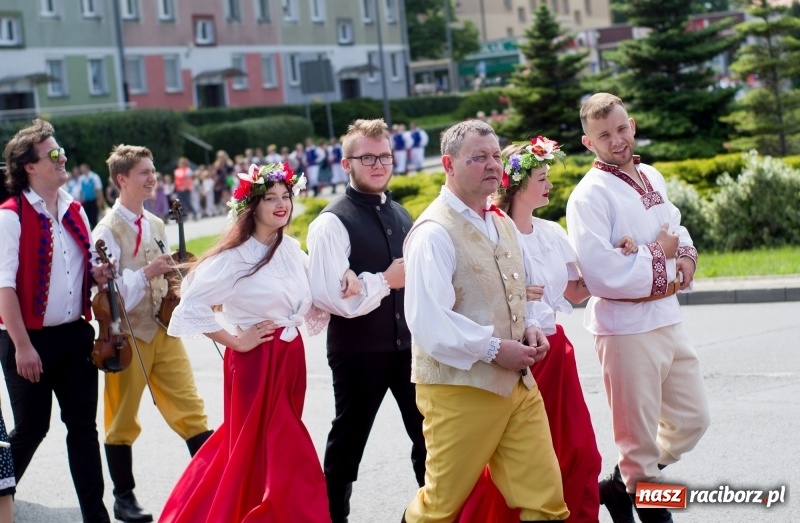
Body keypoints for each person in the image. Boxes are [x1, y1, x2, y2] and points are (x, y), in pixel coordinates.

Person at [160, 162, 353, 523]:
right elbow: (189, 305)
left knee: (254, 447)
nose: (282, 204)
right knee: (283, 445)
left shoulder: (291, 250)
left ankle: (228, 508)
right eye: (270, 198)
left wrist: (347, 273)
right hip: (256, 361)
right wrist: (235, 341)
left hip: (289, 360)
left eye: (286, 196)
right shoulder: (235, 257)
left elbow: (320, 288)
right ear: (252, 206)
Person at [458, 137, 637, 523]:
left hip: (557, 353)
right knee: (517, 461)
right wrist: (513, 292)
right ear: (518, 184)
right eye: (542, 178)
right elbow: (472, 290)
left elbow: (575, 291)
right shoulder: (492, 231)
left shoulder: (551, 233)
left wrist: (618, 253)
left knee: (579, 451)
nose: (550, 184)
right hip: (516, 356)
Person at [402, 119, 569, 523]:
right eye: (479, 157)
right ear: (448, 164)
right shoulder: (433, 232)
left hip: (518, 386)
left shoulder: (501, 222)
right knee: (440, 507)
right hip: (459, 390)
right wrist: (495, 348)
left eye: (496, 155)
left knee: (546, 501)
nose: (493, 164)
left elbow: (519, 291)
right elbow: (428, 321)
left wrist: (530, 327)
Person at [566, 93, 710, 523]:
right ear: (588, 143)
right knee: (639, 446)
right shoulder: (588, 196)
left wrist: (683, 256)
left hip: (667, 318)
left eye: (621, 128)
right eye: (604, 135)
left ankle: (618, 485)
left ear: (632, 125)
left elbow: (675, 227)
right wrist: (659, 253)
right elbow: (600, 272)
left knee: (692, 420)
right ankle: (643, 492)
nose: (617, 140)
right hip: (624, 330)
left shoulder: (652, 175)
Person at [307, 119, 426, 523]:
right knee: (349, 439)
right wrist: (385, 280)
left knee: (428, 436)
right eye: (368, 158)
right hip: (358, 350)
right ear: (347, 164)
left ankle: (431, 515)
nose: (378, 165)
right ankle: (332, 517)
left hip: (409, 349)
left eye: (384, 157)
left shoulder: (403, 214)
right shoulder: (331, 222)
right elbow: (332, 298)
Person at [92, 144, 213, 523]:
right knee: (121, 418)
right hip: (127, 337)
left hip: (164, 329)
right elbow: (109, 296)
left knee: (192, 410)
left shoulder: (158, 224)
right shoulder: (106, 231)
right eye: (144, 172)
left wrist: (184, 282)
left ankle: (213, 486)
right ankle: (124, 498)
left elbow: (168, 278)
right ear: (122, 179)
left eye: (153, 171)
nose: (152, 177)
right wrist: (148, 273)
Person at [0, 119, 112, 522]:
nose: (62, 157)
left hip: (75, 336)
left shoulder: (74, 209)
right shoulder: (10, 215)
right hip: (27, 339)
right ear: (29, 166)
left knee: (83, 429)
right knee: (32, 428)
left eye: (60, 150)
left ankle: (96, 517)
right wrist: (22, 347)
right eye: (53, 153)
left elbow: (81, 268)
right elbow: (4, 287)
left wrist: (98, 274)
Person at [78, 162, 108, 228]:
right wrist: (80, 202)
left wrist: (99, 200)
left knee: (94, 218)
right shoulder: (81, 179)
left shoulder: (94, 177)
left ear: (87, 168)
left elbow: (99, 190)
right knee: (86, 218)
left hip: (94, 200)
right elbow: (80, 191)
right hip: (86, 201)